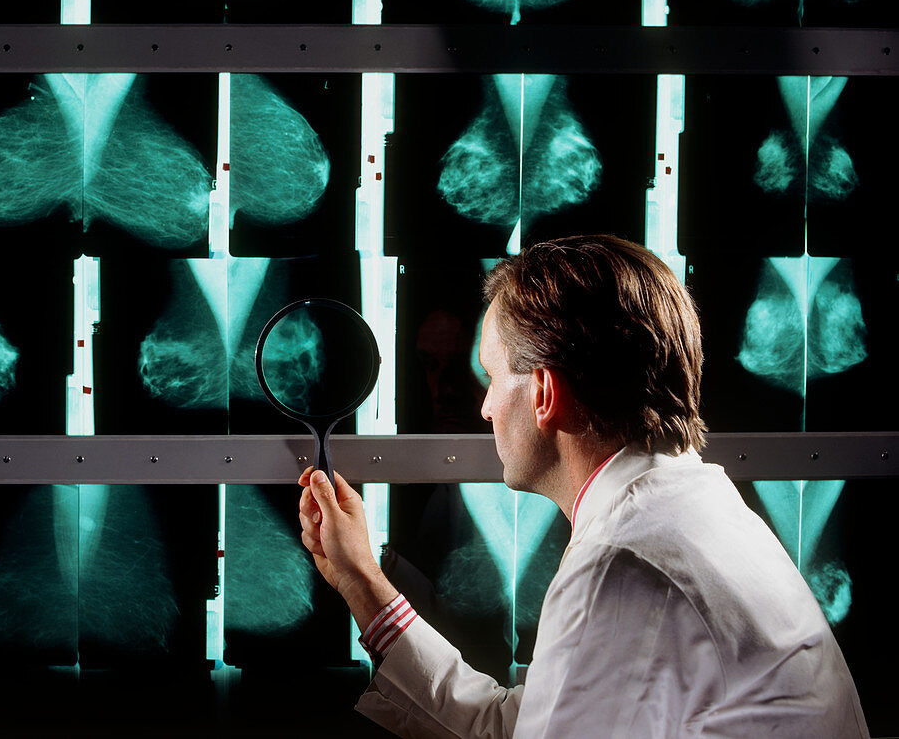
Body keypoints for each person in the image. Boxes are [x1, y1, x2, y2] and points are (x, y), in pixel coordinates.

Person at [298, 234, 868, 738]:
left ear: (544, 393)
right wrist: (360, 579)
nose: (487, 407)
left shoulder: (621, 563)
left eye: (492, 377)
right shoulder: (695, 508)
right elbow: (519, 726)